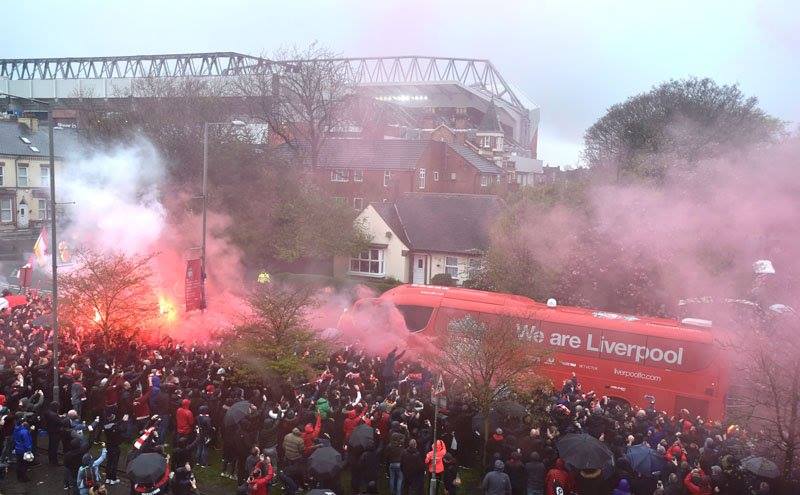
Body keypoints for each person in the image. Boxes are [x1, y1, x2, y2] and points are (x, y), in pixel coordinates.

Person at [12, 417, 33, 482]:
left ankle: (19, 477)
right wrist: (29, 450)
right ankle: (24, 478)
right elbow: (27, 442)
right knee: (24, 465)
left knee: (19, 464)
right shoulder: (25, 432)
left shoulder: (16, 429)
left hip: (18, 449)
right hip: (24, 450)